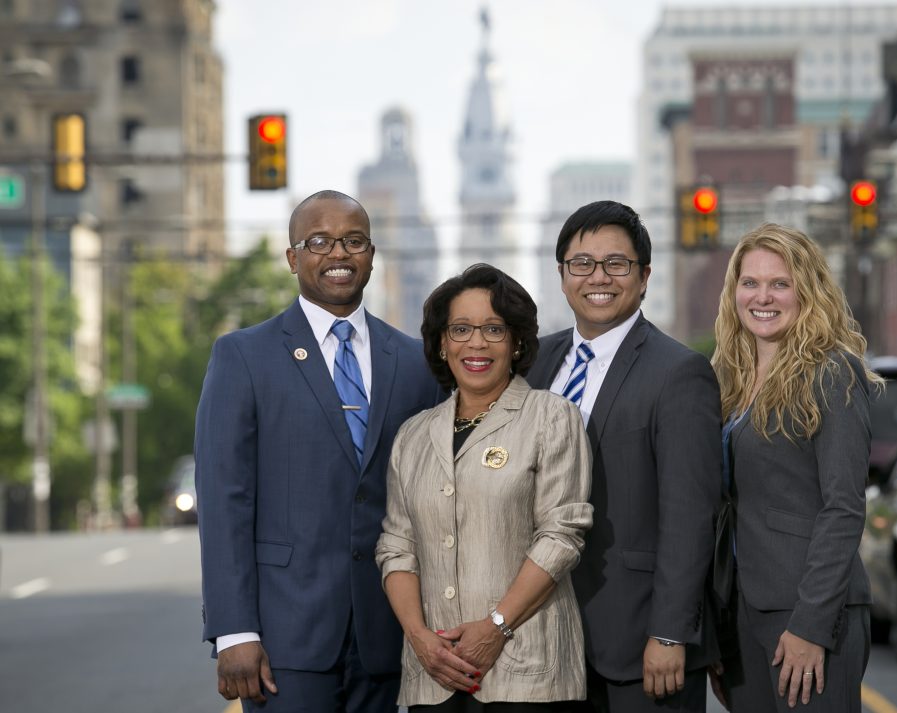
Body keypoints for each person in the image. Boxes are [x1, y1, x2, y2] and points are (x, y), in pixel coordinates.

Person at [194, 190, 442, 712]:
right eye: (319, 242)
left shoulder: (415, 363)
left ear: (371, 255)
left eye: (353, 241)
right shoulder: (243, 356)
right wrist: (234, 630)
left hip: (390, 635)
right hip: (285, 638)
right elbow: (224, 501)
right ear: (293, 258)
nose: (338, 254)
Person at [526, 201, 722, 713]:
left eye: (617, 264)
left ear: (643, 276)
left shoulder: (680, 373)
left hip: (639, 641)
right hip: (542, 636)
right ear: (563, 274)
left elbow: (691, 517)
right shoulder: (533, 361)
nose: (599, 277)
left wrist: (671, 633)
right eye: (582, 263)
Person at [376, 263, 593, 712]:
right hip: (433, 674)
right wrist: (419, 639)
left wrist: (496, 626)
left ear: (516, 342)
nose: (477, 343)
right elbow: (396, 546)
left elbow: (561, 537)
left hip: (528, 672)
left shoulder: (551, 417)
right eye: (461, 329)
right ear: (441, 343)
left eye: (494, 329)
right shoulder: (413, 435)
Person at [709, 223, 882, 712]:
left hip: (808, 609)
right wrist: (720, 627)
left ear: (806, 291)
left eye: (780, 283)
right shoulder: (731, 380)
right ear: (735, 291)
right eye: (751, 283)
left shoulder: (832, 371)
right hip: (742, 611)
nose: (763, 296)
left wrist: (810, 624)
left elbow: (844, 507)